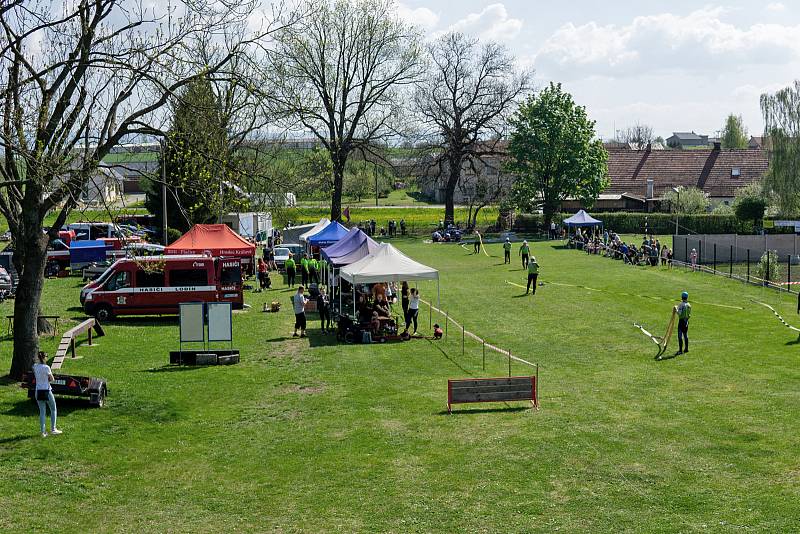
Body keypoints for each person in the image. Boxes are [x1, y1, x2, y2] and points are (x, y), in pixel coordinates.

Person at [33, 351, 61, 437]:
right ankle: (53, 429)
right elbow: (52, 379)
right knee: (53, 409)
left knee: (42, 412)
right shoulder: (47, 367)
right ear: (45, 358)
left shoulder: (34, 367)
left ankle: (43, 432)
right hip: (46, 390)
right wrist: (47, 379)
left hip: (38, 391)